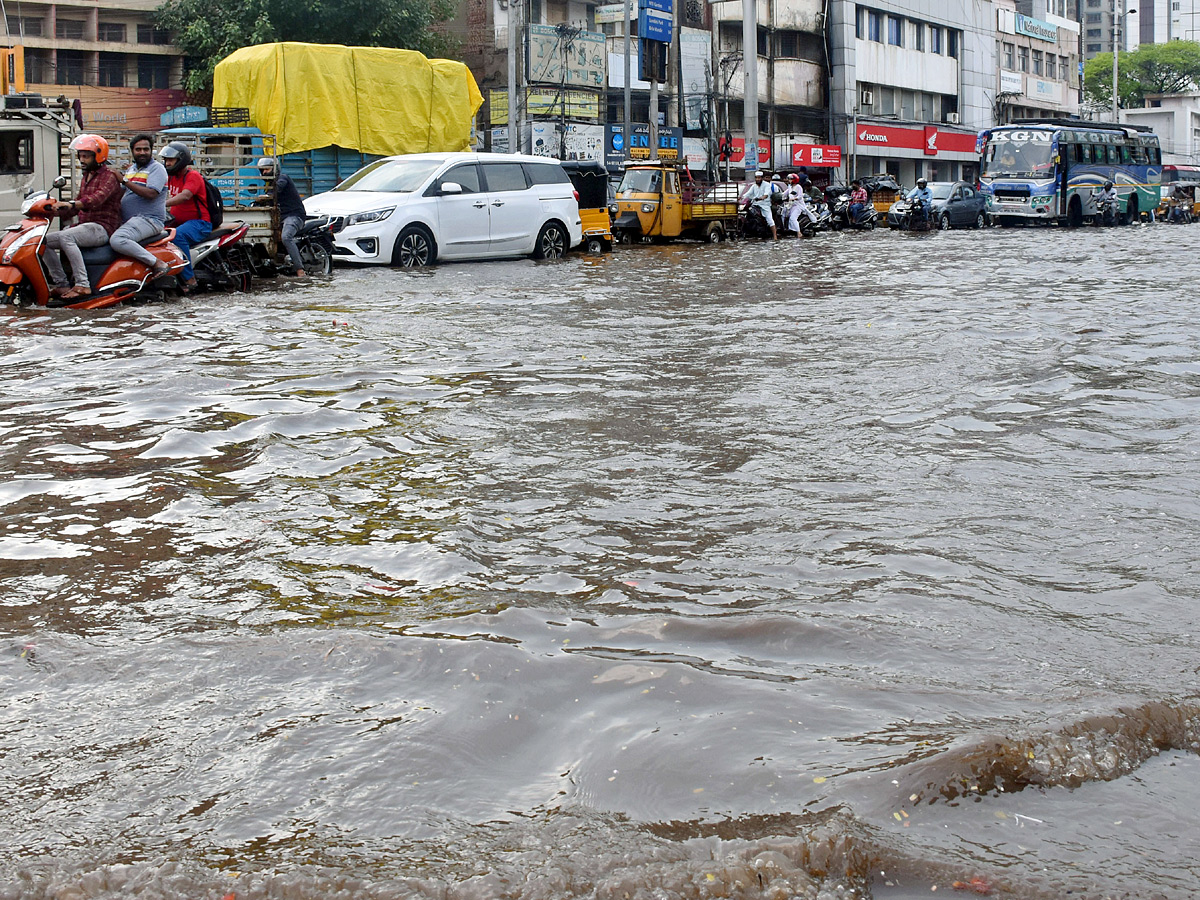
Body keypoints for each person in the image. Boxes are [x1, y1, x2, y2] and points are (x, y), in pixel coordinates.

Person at [42, 134, 123, 300]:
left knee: (66, 236)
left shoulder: (110, 176)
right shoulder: (87, 176)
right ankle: (61, 283)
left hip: (102, 228)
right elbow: (76, 205)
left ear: (98, 156)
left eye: (86, 156)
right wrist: (53, 210)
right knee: (42, 242)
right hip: (85, 227)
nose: (82, 160)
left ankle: (83, 285)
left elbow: (96, 199)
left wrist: (71, 204)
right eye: (80, 156)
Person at [111, 134, 170, 277]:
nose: (142, 152)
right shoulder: (132, 169)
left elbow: (151, 193)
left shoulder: (157, 169)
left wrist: (124, 180)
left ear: (151, 150)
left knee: (118, 240)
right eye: (138, 149)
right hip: (131, 220)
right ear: (132, 151)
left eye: (146, 149)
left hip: (149, 219)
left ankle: (157, 263)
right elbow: (121, 193)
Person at [160, 141, 211, 292]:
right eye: (166, 160)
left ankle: (189, 278)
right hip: (178, 222)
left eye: (170, 160)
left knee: (177, 236)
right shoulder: (171, 177)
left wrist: (163, 204)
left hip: (200, 223)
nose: (167, 163)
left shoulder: (193, 176)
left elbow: (185, 196)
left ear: (181, 160)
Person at [255, 157, 308, 276]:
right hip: (280, 218)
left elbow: (276, 191)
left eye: (266, 169)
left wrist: (266, 197)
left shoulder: (283, 178)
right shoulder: (269, 185)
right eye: (262, 170)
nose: (264, 173)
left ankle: (300, 270)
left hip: (294, 215)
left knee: (286, 237)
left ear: (275, 169)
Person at [741, 170, 776, 240]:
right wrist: (741, 197)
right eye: (756, 178)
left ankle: (775, 236)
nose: (757, 179)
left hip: (765, 205)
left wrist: (761, 198)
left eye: (759, 178)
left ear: (762, 178)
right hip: (755, 204)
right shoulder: (754, 186)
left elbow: (766, 195)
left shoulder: (767, 185)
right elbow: (748, 194)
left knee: (770, 220)